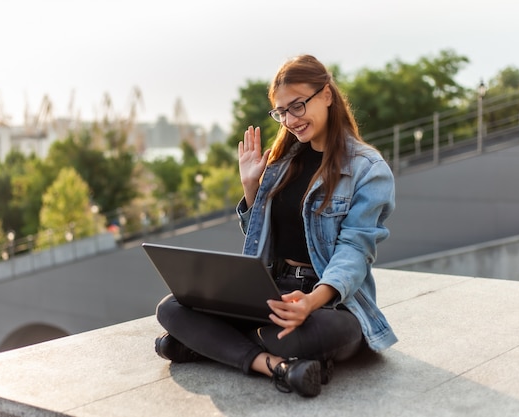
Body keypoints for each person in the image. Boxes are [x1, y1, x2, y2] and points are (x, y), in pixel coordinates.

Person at [155, 54, 397, 398]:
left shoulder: (368, 170)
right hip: (271, 289)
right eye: (281, 112)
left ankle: (207, 346)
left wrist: (310, 303)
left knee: (300, 333)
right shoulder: (283, 162)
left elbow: (355, 251)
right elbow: (265, 239)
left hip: (329, 303)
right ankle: (279, 367)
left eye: (297, 106)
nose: (290, 120)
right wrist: (252, 188)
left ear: (326, 95)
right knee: (171, 308)